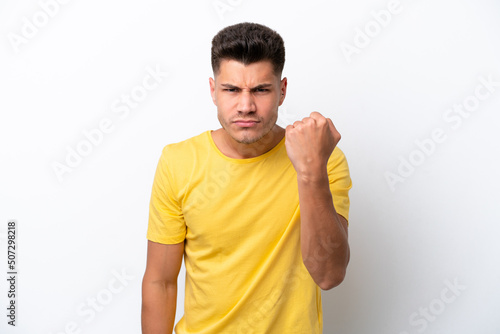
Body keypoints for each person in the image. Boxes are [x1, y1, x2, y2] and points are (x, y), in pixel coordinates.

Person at [141, 22, 352, 334]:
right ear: (213, 91)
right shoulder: (178, 162)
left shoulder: (323, 158)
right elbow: (160, 281)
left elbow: (329, 274)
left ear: (281, 91)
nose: (246, 106)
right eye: (231, 89)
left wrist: (310, 171)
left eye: (260, 90)